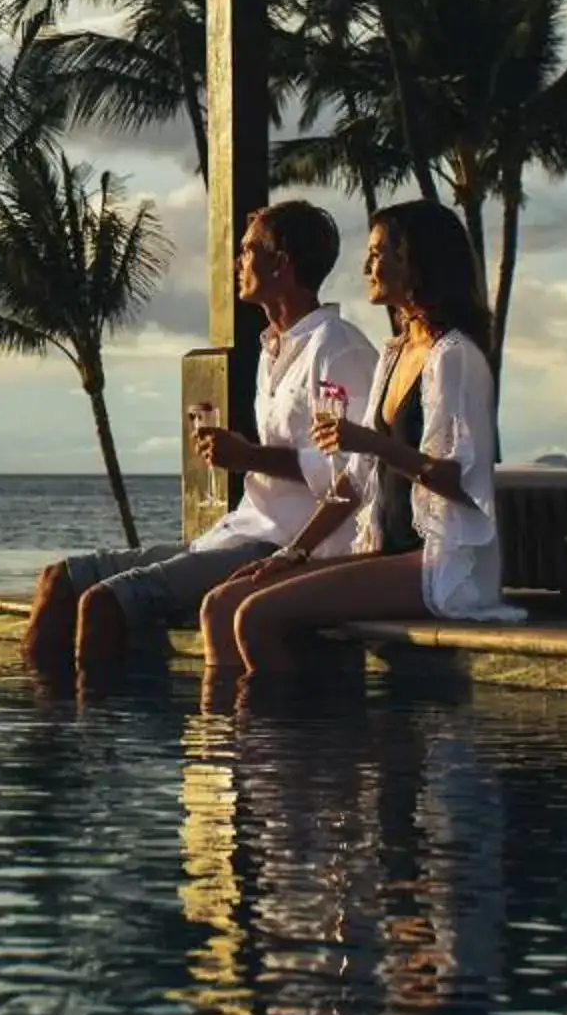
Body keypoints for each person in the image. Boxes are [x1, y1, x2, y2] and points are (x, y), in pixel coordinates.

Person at [21, 199, 378, 673]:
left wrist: (250, 456)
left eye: (249, 251)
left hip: (284, 543)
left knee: (105, 602)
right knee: (59, 580)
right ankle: (45, 735)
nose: (238, 262)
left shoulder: (339, 349)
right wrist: (247, 457)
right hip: (237, 530)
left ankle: (97, 737)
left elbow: (353, 473)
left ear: (281, 264)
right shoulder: (273, 348)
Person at [199, 197, 522, 685]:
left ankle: (292, 748)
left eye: (380, 253)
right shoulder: (394, 354)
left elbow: (460, 481)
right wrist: (294, 552)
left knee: (255, 617)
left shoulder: (454, 357)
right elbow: (352, 481)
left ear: (416, 261)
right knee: (222, 603)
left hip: (442, 561)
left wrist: (373, 443)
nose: (367, 265)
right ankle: (232, 744)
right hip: (386, 548)